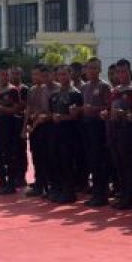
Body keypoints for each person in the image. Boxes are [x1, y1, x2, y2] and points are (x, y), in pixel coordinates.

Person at [105, 60, 132, 210]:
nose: (120, 74)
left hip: (128, 130)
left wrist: (125, 114)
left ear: (129, 71)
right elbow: (110, 108)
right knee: (118, 163)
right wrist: (106, 113)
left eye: (123, 71)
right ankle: (123, 193)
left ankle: (130, 197)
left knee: (127, 164)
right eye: (118, 72)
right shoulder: (115, 90)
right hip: (113, 129)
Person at [79, 58, 113, 206]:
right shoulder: (84, 87)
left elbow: (108, 106)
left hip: (99, 125)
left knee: (100, 161)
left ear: (99, 70)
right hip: (86, 124)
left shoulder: (104, 86)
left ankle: (102, 194)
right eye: (88, 68)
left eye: (94, 68)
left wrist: (93, 109)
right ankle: (96, 192)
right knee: (91, 159)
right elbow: (82, 107)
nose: (91, 71)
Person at [47, 66, 83, 204]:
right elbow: (51, 111)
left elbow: (76, 115)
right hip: (56, 131)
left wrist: (62, 117)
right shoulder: (54, 95)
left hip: (70, 132)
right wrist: (52, 116)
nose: (62, 77)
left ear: (70, 75)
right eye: (59, 75)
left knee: (68, 161)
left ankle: (70, 192)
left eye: (64, 74)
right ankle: (59, 188)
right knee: (57, 160)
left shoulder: (75, 94)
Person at [24, 65, 57, 198]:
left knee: (50, 157)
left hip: (51, 126)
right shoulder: (33, 90)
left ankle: (51, 186)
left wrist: (41, 117)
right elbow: (29, 108)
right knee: (37, 156)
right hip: (36, 126)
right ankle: (39, 184)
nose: (37, 78)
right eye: (35, 75)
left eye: (40, 75)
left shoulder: (56, 89)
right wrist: (26, 126)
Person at [0, 68, 21, 195]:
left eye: (7, 75)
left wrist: (2, 108)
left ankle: (11, 183)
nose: (5, 77)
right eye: (2, 74)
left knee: (8, 154)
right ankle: (2, 182)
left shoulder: (13, 90)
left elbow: (16, 109)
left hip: (9, 123)